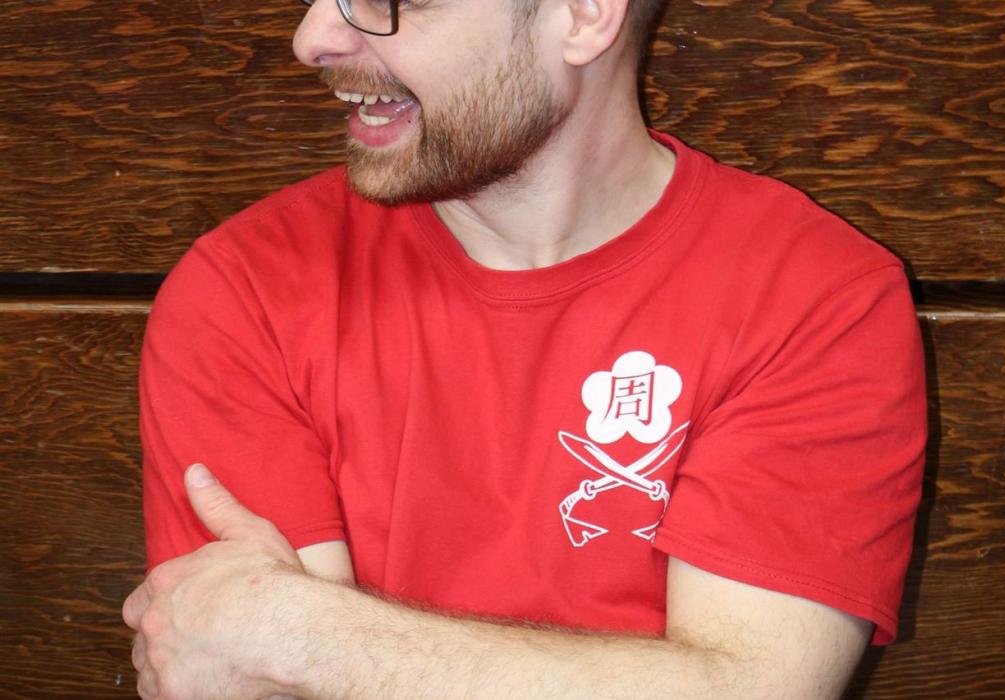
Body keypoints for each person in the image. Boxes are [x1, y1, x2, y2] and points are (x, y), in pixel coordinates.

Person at [122, 0, 928, 697]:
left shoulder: (815, 297)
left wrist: (300, 634)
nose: (313, 39)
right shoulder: (247, 290)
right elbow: (253, 680)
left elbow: (756, 688)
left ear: (583, 14)